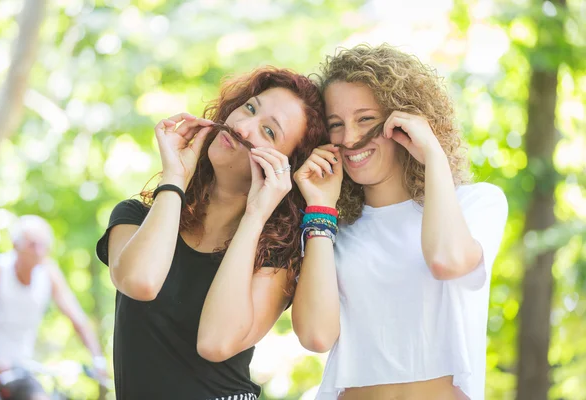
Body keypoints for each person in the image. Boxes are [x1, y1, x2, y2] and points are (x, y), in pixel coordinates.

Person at [95, 66, 327, 399]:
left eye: (269, 131)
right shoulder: (136, 217)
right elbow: (141, 281)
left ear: (285, 167)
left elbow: (215, 342)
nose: (242, 127)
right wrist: (175, 176)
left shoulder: (278, 256)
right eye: (249, 108)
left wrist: (255, 215)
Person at [291, 44, 508, 400]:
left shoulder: (474, 203)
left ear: (403, 121)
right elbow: (316, 335)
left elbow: (447, 260)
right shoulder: (328, 229)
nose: (348, 138)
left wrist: (433, 154)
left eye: (364, 119)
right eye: (336, 125)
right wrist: (319, 208)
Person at [0, 215, 107, 400]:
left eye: (43, 245)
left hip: (21, 368)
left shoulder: (48, 272)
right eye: (32, 245)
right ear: (15, 245)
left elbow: (77, 318)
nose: (38, 251)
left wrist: (98, 359)